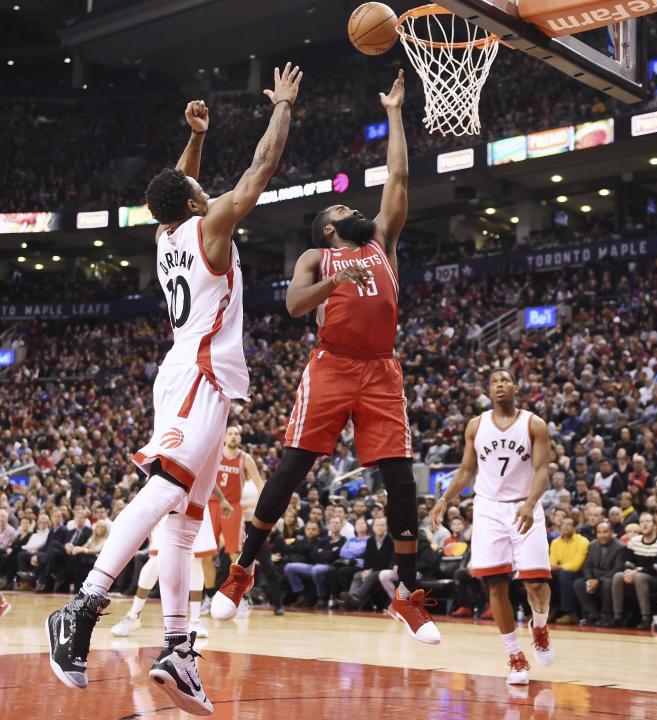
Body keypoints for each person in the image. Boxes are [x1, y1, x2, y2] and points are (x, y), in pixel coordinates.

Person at [47, 62, 301, 716]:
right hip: (199, 375)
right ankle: (83, 607)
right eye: (197, 185)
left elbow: (172, 188)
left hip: (188, 372)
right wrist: (281, 106)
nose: (202, 188)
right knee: (164, 491)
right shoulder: (210, 228)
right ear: (195, 202)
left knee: (185, 526)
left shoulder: (166, 233)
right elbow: (261, 168)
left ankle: (178, 651)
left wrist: (194, 139)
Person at [213, 70, 439, 645]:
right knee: (290, 470)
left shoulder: (383, 241)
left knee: (401, 484)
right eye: (340, 208)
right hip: (333, 365)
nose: (351, 209)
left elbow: (400, 175)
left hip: (382, 369)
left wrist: (393, 112)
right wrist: (339, 285)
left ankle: (408, 598)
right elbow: (293, 305)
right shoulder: (318, 256)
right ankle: (242, 573)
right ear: (328, 228)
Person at [430, 369, 555, 684]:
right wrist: (444, 498)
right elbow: (465, 469)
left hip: (525, 505)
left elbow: (542, 471)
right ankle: (514, 655)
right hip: (488, 509)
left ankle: (539, 626)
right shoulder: (476, 426)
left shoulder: (534, 424)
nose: (500, 385)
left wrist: (529, 504)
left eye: (505, 381)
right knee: (495, 584)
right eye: (494, 382)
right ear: (488, 390)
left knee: (537, 585)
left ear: (515, 387)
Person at [111, 507, 219, 639]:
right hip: (171, 503)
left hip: (197, 502)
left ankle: (195, 621)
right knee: (154, 561)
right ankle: (134, 615)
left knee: (196, 561)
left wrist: (222, 499)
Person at [201, 426, 265, 617]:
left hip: (233, 508)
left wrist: (268, 506)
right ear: (224, 436)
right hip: (210, 506)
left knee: (236, 554)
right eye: (230, 433)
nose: (233, 436)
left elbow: (259, 483)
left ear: (241, 438)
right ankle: (209, 596)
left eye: (237, 433)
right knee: (206, 555)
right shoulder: (215, 454)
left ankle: (242, 598)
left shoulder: (246, 458)